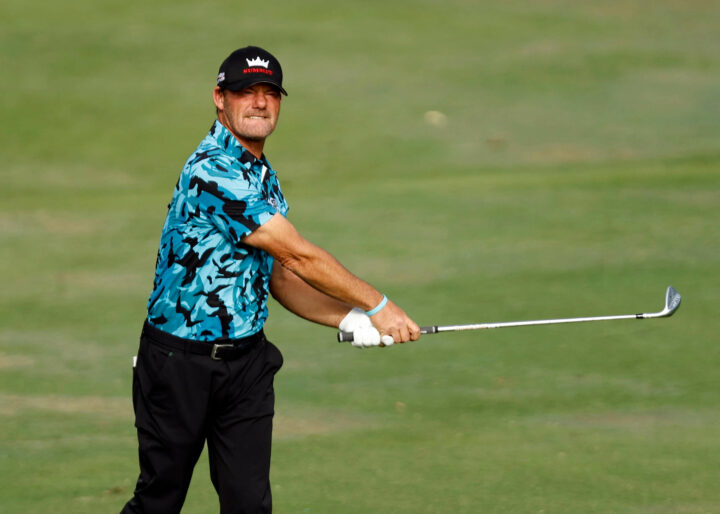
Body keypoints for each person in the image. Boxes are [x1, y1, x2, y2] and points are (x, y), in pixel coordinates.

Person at [121, 45, 420, 514]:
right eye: (245, 92)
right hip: (180, 364)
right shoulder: (212, 170)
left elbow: (280, 277)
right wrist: (379, 305)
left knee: (250, 506)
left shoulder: (262, 176)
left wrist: (351, 320)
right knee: (159, 501)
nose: (259, 102)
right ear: (220, 99)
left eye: (269, 92)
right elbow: (298, 254)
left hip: (246, 366)